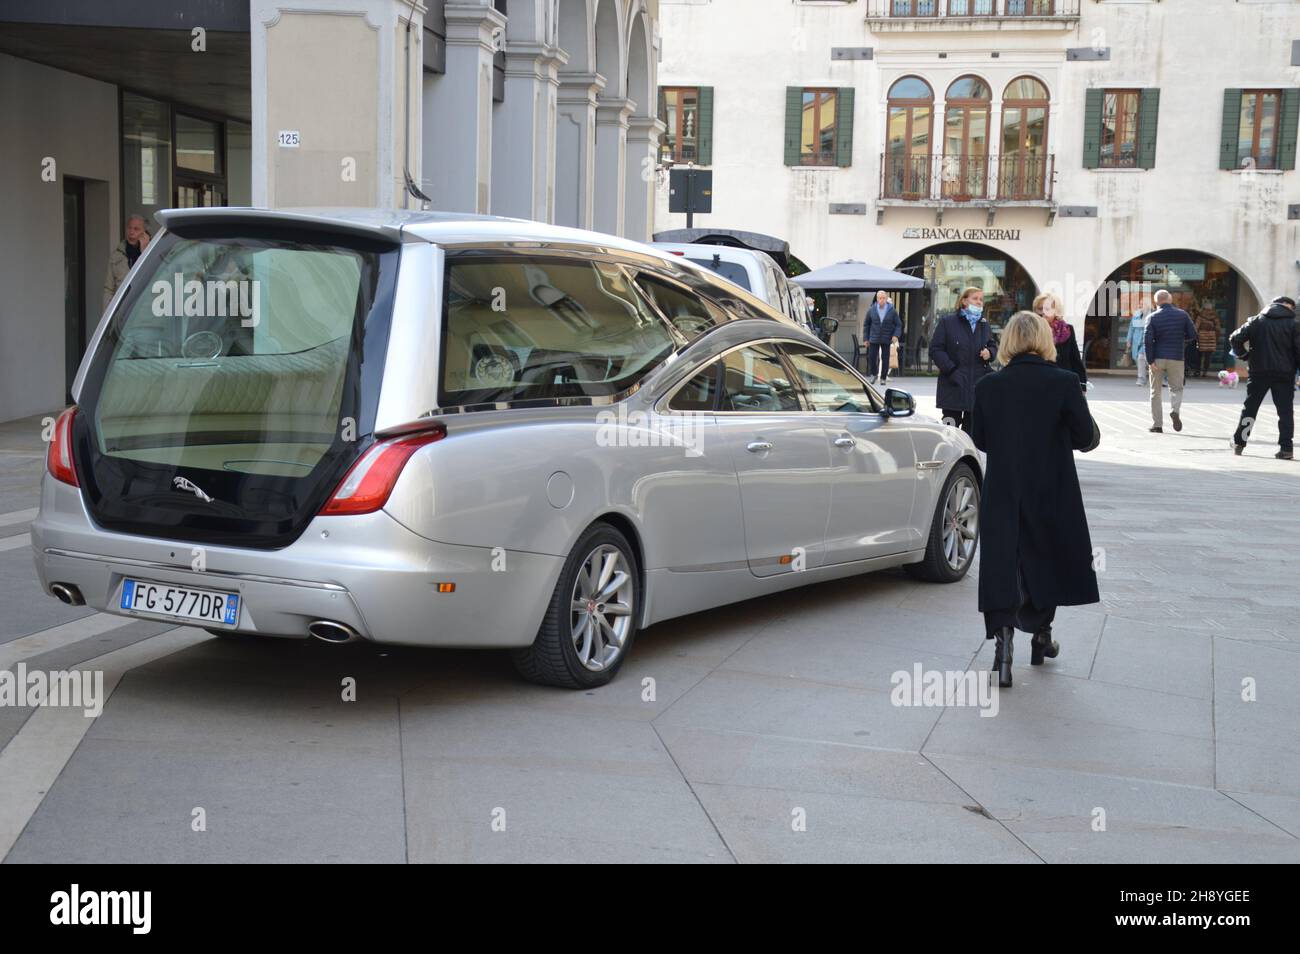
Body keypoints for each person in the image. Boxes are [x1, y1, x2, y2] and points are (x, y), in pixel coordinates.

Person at [971, 311, 1100, 688]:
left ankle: (1003, 640)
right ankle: (1041, 634)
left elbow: (980, 439)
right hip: (1051, 485)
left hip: (1004, 485)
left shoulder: (988, 386)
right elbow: (1084, 438)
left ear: (1008, 340)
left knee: (1003, 558)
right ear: (1046, 340)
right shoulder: (1064, 382)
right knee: (1048, 554)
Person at [1229, 296, 1300, 460]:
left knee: (1250, 408)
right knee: (1285, 412)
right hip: (1285, 374)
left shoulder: (1255, 321)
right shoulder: (1294, 325)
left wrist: (1245, 355)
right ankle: (1286, 448)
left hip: (1258, 372)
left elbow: (1235, 338)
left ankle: (1240, 442)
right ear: (1287, 306)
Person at [929, 286, 996, 433]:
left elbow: (992, 345)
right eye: (975, 298)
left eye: (981, 300)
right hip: (952, 386)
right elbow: (935, 350)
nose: (979, 302)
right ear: (964, 301)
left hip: (975, 389)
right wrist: (952, 370)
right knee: (949, 434)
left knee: (970, 437)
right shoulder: (948, 322)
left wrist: (990, 353)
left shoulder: (983, 325)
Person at [1144, 288, 1197, 433]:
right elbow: (1193, 334)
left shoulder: (1152, 317)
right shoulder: (1182, 315)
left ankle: (1157, 425)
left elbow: (1147, 340)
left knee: (1155, 391)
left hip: (1158, 358)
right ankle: (1175, 410)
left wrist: (1150, 360)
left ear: (1156, 302)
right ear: (1170, 300)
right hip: (1177, 357)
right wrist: (1180, 339)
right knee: (1176, 388)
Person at [1033, 291, 1087, 389]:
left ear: (1056, 311)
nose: (1042, 313)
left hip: (1063, 384)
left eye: (1047, 309)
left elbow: (1075, 359)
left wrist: (1082, 385)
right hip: (1039, 384)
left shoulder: (1067, 330)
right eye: (1039, 309)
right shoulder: (1031, 330)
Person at [103, 213, 151, 309]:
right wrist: (107, 315)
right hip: (122, 309)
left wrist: (145, 252)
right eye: (129, 228)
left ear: (145, 232)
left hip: (144, 308)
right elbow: (108, 289)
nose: (131, 232)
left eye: (136, 229)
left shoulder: (153, 253)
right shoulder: (117, 255)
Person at [864, 290, 902, 386]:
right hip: (873, 338)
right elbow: (866, 325)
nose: (882, 300)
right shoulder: (871, 310)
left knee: (885, 358)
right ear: (877, 299)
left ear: (886, 299)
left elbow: (898, 325)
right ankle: (873, 374)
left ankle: (883, 378)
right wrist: (866, 339)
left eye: (883, 298)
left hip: (886, 338)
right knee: (872, 357)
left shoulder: (892, 310)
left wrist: (895, 335)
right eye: (880, 298)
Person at [1124, 304, 1150, 386]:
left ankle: (1142, 379)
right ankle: (1142, 379)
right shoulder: (1136, 315)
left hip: (1148, 341)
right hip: (1137, 341)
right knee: (1140, 359)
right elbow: (1131, 328)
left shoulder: (1152, 316)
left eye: (1143, 305)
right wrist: (1129, 340)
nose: (1141, 307)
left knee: (1142, 358)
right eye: (1140, 305)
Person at [1195, 307, 1221, 377]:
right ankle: (1205, 371)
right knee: (1208, 356)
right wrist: (1216, 338)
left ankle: (1197, 371)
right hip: (1211, 337)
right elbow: (1218, 329)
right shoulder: (1215, 317)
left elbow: (1196, 328)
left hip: (1201, 336)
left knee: (1199, 356)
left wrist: (1196, 336)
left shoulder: (1200, 317)